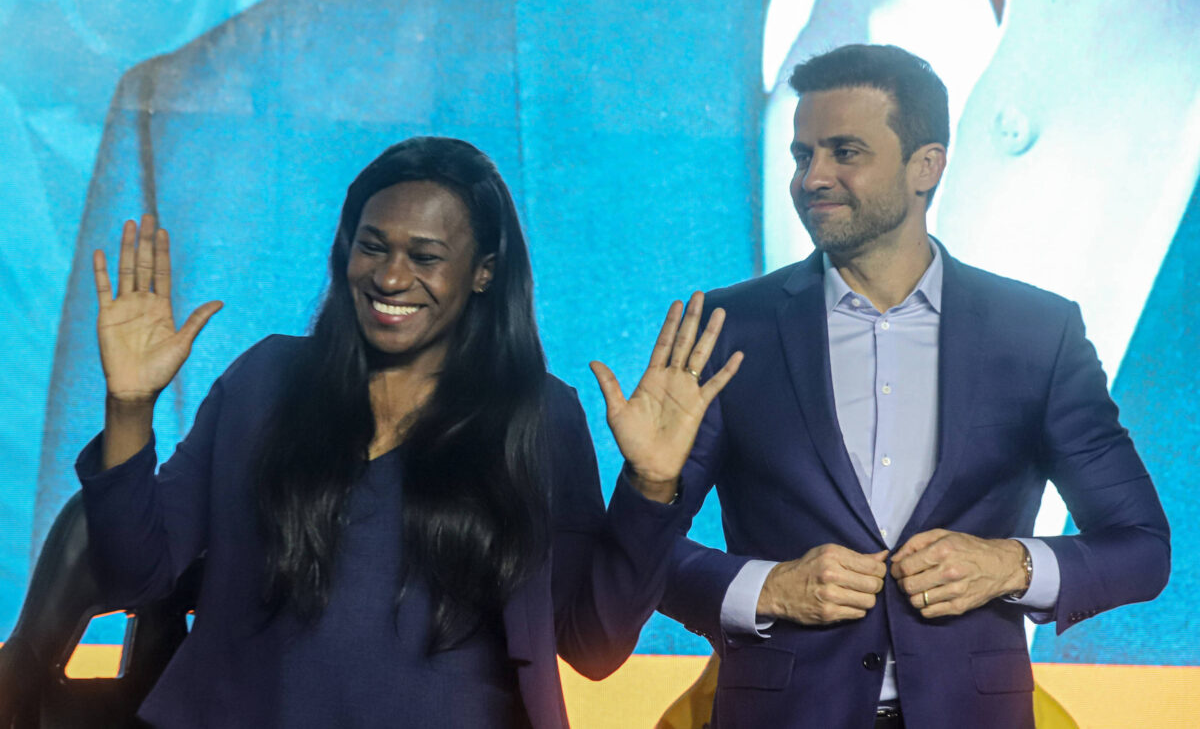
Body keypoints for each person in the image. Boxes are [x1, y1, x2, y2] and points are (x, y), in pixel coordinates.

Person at [76, 136, 742, 728]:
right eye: (373, 247)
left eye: (425, 257)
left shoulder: (539, 417)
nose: (391, 277)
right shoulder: (267, 378)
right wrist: (129, 405)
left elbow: (592, 647)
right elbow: (133, 578)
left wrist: (652, 486)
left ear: (484, 270)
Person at [658, 45, 1170, 728]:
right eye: (802, 155)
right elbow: (637, 555)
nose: (814, 177)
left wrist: (1008, 566)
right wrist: (768, 587)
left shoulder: (1036, 332)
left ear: (926, 166)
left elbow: (1140, 547)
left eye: (845, 152)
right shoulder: (727, 327)